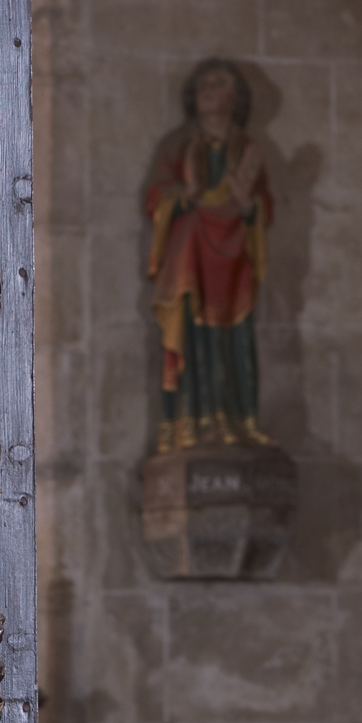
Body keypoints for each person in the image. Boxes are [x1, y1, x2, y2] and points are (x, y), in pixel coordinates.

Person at [144, 58, 273, 450]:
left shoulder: (247, 150)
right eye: (202, 85)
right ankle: (188, 424)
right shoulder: (179, 145)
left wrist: (248, 205)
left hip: (233, 260)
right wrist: (186, 194)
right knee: (192, 337)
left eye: (219, 84)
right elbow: (156, 196)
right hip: (190, 255)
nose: (208, 91)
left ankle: (240, 421)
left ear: (236, 98)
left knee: (236, 339)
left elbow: (263, 205)